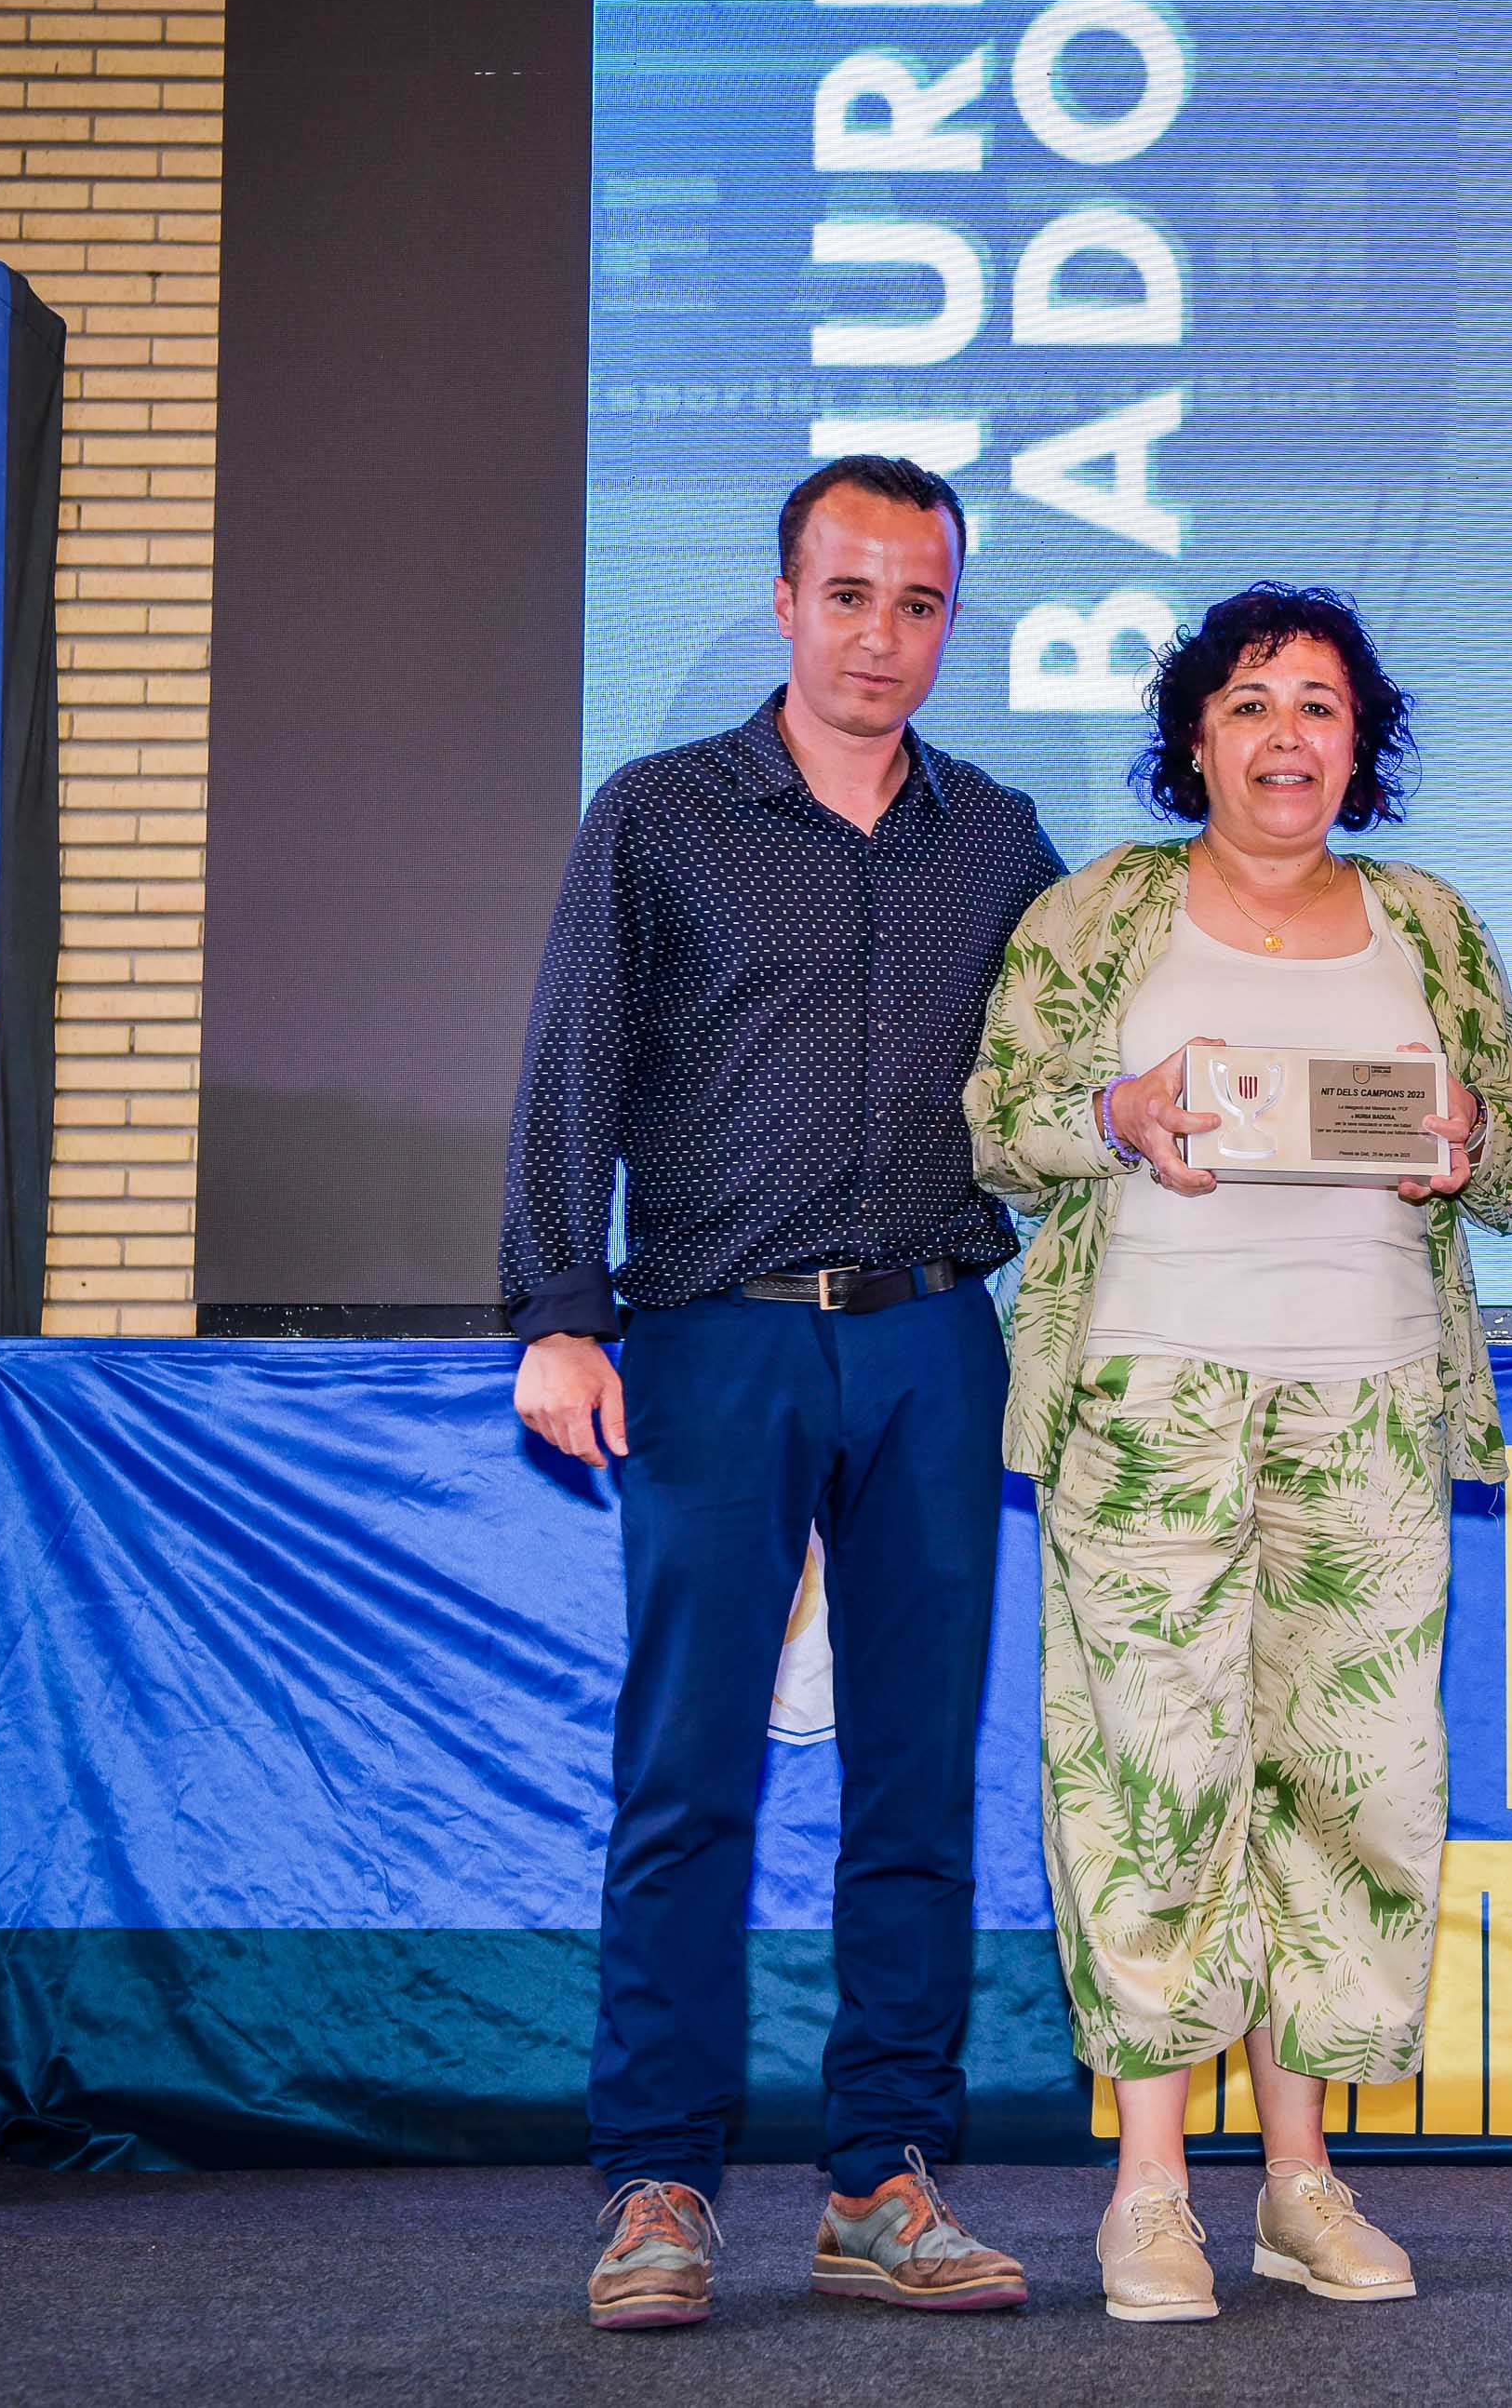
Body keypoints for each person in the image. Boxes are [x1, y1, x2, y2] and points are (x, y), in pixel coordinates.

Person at [502, 455, 1061, 2328]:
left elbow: (1077, 1063)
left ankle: (882, 2175)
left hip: (932, 1340)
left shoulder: (998, 838)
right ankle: (657, 2181)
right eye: (848, 595)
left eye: (917, 603)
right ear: (783, 602)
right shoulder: (661, 815)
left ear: (948, 621)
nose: (879, 636)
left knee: (916, 1775)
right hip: (712, 1336)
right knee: (687, 1773)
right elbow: (572, 1064)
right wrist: (557, 1311)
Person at [967, 583, 1512, 2322]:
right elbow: (997, 1126)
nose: (1283, 736)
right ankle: (1149, 2195)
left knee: (1348, 1790)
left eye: (1317, 704)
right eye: (1246, 703)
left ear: (1360, 745)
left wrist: (1469, 1139)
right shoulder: (1100, 911)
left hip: (1371, 1408)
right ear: (1193, 740)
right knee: (1148, 1789)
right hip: (1148, 1407)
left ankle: (1300, 2185)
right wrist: (1117, 1114)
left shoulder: (1428, 924)